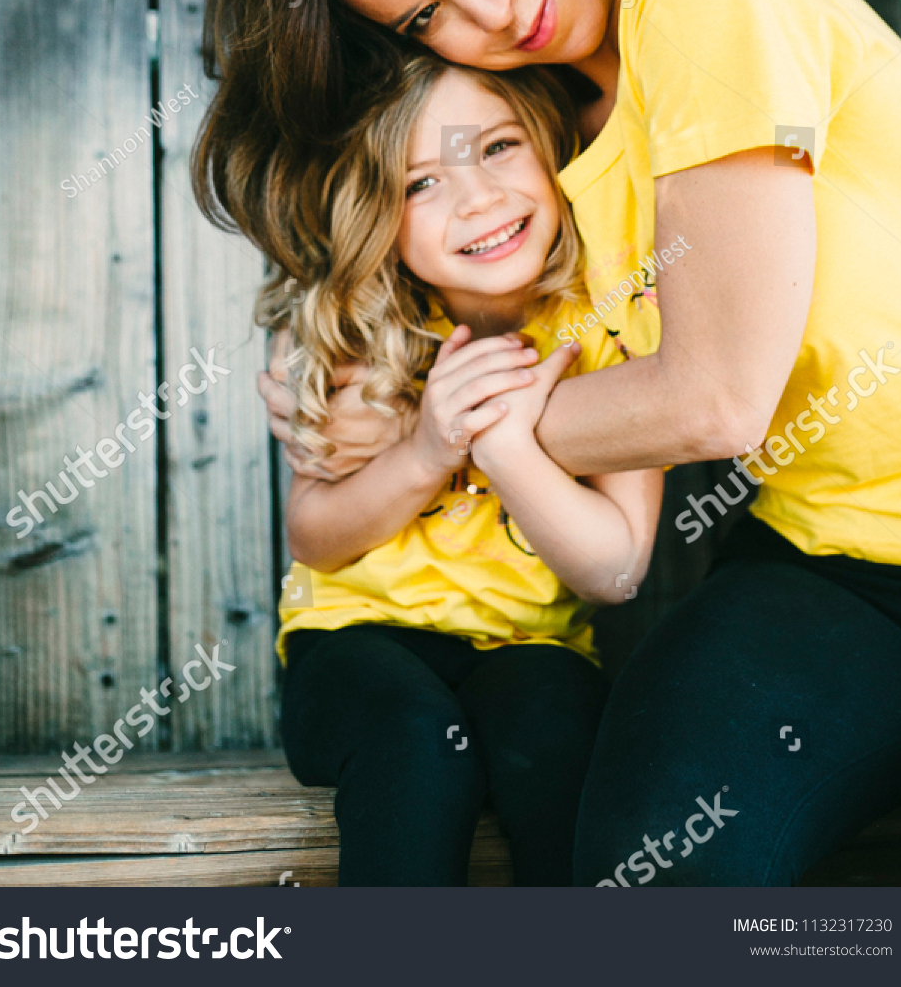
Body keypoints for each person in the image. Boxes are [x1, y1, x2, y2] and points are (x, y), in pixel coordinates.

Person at [195, 0, 901, 886]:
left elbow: (714, 394)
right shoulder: (546, 119)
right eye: (429, 12)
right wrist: (375, 408)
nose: (492, 8)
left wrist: (442, 442)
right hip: (838, 556)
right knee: (650, 880)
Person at [260, 51, 662, 885]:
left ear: (550, 149)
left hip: (530, 648)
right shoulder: (355, 329)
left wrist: (505, 447)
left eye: (496, 147)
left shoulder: (612, 325)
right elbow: (315, 538)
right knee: (415, 742)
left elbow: (613, 567)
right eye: (418, 184)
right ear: (374, 218)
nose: (477, 198)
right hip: (355, 644)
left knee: (562, 752)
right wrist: (427, 449)